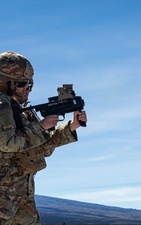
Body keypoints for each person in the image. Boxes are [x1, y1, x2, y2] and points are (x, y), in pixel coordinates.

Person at [0, 51, 87, 224]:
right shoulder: (2, 105)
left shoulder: (21, 111)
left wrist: (71, 127)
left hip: (21, 194)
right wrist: (40, 126)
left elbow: (42, 148)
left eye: (29, 85)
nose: (26, 89)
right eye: (20, 84)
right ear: (4, 82)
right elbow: (7, 143)